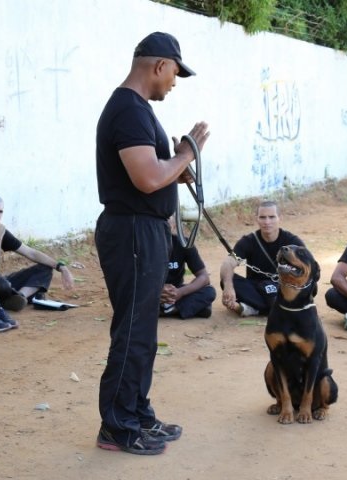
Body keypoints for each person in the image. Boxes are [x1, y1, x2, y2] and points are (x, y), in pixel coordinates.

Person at [94, 31, 209, 455]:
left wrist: (176, 166)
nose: (174, 84)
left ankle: (137, 414)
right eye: (174, 74)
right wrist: (187, 154)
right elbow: (145, 177)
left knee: (143, 331)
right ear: (159, 66)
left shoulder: (136, 110)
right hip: (131, 232)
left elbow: (151, 172)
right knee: (132, 332)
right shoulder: (128, 110)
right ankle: (117, 426)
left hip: (144, 230)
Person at [0, 193, 75, 309]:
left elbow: (30, 252)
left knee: (45, 268)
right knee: (0, 283)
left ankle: (19, 297)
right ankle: (9, 297)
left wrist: (61, 267)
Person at [219, 200, 305, 317]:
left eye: (272, 217)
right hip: (255, 289)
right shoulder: (248, 240)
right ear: (257, 219)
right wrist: (228, 287)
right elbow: (228, 263)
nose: (267, 222)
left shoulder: (291, 241)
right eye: (263, 217)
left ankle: (254, 309)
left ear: (280, 218)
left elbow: (307, 267)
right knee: (228, 279)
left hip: (281, 287)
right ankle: (274, 308)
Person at [160, 216, 216, 319]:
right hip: (151, 293)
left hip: (176, 293)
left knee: (209, 291)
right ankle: (184, 309)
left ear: (174, 225)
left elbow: (204, 277)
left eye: (168, 221)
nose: (164, 225)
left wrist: (180, 292)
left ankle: (167, 310)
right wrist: (157, 292)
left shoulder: (184, 243)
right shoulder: (143, 244)